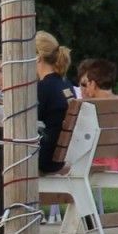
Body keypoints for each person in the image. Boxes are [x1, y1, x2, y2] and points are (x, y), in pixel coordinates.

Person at [35, 31, 76, 175]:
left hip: (45, 159)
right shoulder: (66, 84)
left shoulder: (43, 87)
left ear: (38, 57)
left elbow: (27, 121)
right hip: (61, 156)